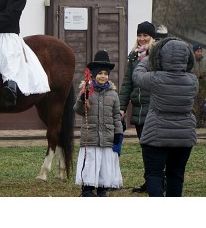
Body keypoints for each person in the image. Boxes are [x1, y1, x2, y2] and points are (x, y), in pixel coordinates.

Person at [132, 38, 198, 197]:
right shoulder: (192, 81)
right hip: (184, 136)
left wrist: (148, 59)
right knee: (176, 175)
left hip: (156, 135)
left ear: (161, 56)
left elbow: (137, 75)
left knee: (154, 175)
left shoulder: (155, 78)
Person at [74, 50, 123, 197]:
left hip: (107, 135)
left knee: (104, 163)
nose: (103, 76)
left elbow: (116, 115)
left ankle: (102, 187)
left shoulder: (113, 94)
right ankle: (87, 188)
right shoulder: (87, 91)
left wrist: (118, 134)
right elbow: (78, 110)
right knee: (90, 162)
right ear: (94, 75)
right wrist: (83, 98)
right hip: (91, 135)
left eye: (105, 74)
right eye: (100, 73)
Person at [118, 20, 156, 193]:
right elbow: (127, 83)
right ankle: (150, 181)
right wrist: (122, 106)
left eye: (145, 35)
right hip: (138, 108)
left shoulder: (157, 56)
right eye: (139, 35)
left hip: (155, 107)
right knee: (145, 147)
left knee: (155, 147)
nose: (142, 39)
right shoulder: (133, 56)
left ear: (152, 37)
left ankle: (157, 181)